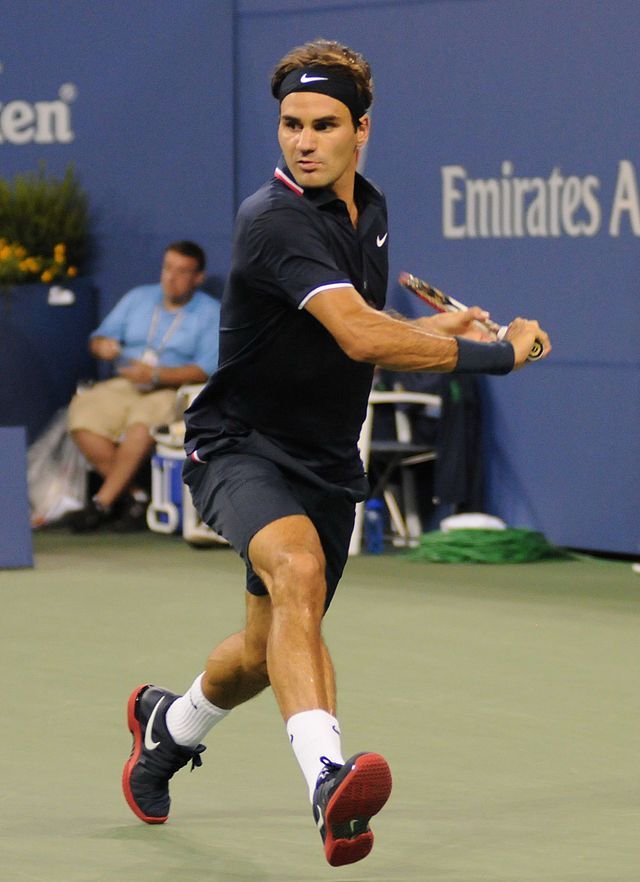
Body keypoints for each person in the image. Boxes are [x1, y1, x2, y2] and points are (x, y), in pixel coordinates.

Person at [121, 40, 551, 866]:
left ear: (362, 131)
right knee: (299, 571)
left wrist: (435, 330)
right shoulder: (272, 219)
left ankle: (165, 728)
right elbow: (357, 331)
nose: (303, 142)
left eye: (324, 125)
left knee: (262, 650)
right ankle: (327, 781)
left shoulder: (371, 214)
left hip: (323, 461)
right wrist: (502, 354)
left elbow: (350, 339)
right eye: (289, 125)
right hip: (240, 446)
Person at [67, 241, 220, 532]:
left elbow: (204, 369)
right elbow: (98, 340)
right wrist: (104, 347)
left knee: (142, 426)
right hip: (127, 382)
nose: (171, 278)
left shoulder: (210, 312)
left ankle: (101, 503)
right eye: (167, 269)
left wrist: (157, 375)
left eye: (181, 271)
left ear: (197, 278)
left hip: (172, 388)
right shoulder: (138, 298)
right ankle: (137, 497)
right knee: (83, 414)